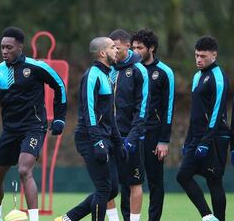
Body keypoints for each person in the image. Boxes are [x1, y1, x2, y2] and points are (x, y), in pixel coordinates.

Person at [0, 27, 67, 221]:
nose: (4, 51)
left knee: (24, 170)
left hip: (34, 127)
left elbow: (59, 85)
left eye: (9, 47)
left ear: (20, 47)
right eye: (2, 47)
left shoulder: (36, 67)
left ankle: (34, 219)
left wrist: (59, 117)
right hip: (10, 130)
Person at [54, 37, 128, 221]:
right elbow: (89, 112)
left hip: (106, 138)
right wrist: (97, 141)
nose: (116, 50)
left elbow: (110, 116)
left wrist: (118, 143)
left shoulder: (107, 75)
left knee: (111, 190)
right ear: (102, 53)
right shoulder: (92, 75)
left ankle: (68, 218)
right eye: (112, 47)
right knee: (104, 189)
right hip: (90, 138)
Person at [176, 36, 230, 221]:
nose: (198, 59)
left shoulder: (219, 77)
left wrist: (206, 142)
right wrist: (189, 139)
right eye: (197, 55)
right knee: (183, 176)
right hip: (197, 139)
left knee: (214, 181)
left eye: (203, 56)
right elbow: (195, 113)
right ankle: (208, 216)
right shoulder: (198, 76)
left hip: (215, 139)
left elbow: (217, 112)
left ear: (214, 55)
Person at [131, 29, 175, 221]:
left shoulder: (164, 72)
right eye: (133, 47)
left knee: (155, 182)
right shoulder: (130, 69)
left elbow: (168, 108)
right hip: (132, 133)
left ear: (151, 48)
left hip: (153, 134)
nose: (135, 51)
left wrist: (164, 140)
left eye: (139, 47)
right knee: (129, 181)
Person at [108, 29, 150, 221]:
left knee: (134, 183)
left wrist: (133, 137)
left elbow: (142, 110)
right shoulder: (108, 69)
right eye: (111, 48)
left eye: (117, 47)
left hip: (130, 137)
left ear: (127, 45)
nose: (114, 51)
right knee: (107, 184)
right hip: (108, 137)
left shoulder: (139, 70)